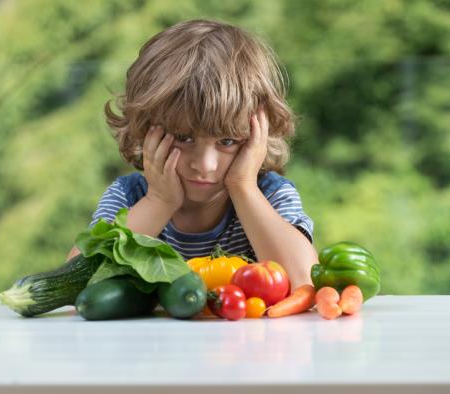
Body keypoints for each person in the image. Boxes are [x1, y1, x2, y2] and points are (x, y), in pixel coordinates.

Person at [66, 19, 317, 289]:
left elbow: (305, 281)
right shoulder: (129, 197)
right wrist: (160, 201)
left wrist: (243, 187)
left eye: (227, 140)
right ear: (146, 129)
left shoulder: (269, 195)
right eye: (184, 138)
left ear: (258, 134)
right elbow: (75, 285)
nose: (205, 165)